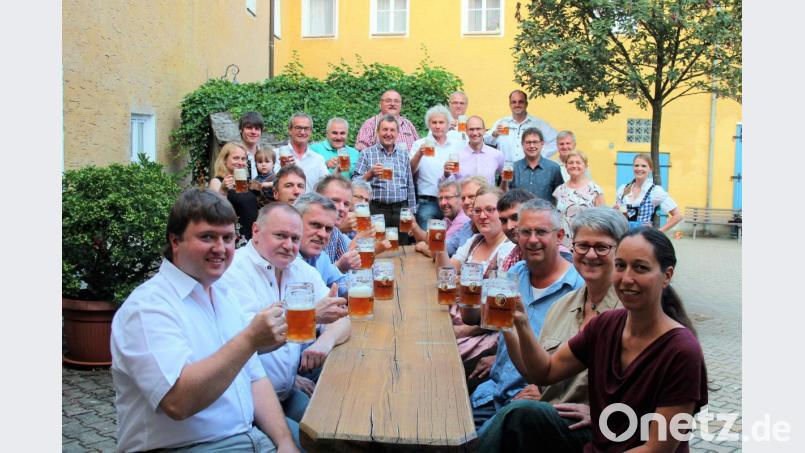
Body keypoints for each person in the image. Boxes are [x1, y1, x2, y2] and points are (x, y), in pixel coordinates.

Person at [110, 188, 298, 452]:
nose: (220, 248)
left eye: (228, 238)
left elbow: (256, 379)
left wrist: (285, 442)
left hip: (248, 437)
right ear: (175, 241)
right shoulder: (147, 307)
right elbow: (178, 402)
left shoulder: (224, 294)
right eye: (207, 237)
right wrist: (250, 340)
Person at [501, 227, 707, 452]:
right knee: (519, 415)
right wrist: (520, 324)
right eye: (620, 266)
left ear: (666, 276)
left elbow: (657, 449)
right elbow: (545, 372)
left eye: (640, 268)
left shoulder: (681, 351)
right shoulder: (605, 325)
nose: (626, 279)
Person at [477, 207, 628, 452]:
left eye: (601, 247)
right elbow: (538, 373)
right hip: (549, 416)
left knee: (518, 415)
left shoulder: (629, 309)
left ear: (620, 251)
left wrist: (604, 413)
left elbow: (655, 385)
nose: (590, 255)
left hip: (599, 430)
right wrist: (512, 325)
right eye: (582, 246)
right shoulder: (563, 306)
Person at [221, 202, 351, 447]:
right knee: (313, 443)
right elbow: (250, 342)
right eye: (280, 236)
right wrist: (312, 316)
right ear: (256, 231)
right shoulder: (234, 271)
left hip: (286, 391)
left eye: (295, 238)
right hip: (249, 404)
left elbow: (341, 318)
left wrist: (324, 343)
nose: (289, 245)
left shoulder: (299, 269)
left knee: (339, 428)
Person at [466, 198, 583, 434]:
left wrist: (547, 389)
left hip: (531, 406)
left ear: (559, 236)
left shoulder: (578, 289)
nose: (532, 240)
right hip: (493, 392)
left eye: (541, 232)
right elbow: (483, 320)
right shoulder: (514, 274)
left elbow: (583, 358)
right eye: (525, 232)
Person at [436, 187, 516, 393]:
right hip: (461, 315)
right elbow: (446, 273)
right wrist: (439, 245)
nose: (482, 215)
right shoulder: (476, 241)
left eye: (490, 209)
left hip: (484, 329)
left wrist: (464, 330)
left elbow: (501, 309)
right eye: (477, 210)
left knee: (439, 356)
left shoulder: (508, 250)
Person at [352, 114, 417, 230]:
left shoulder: (403, 154)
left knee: (402, 241)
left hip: (401, 210)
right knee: (377, 240)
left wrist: (412, 211)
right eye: (385, 129)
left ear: (397, 133)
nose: (388, 133)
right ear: (377, 132)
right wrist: (369, 174)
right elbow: (354, 183)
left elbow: (410, 184)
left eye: (392, 130)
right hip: (376, 209)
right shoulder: (366, 153)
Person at [410, 105, 459, 229]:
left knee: (451, 238)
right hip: (428, 201)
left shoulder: (457, 145)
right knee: (427, 239)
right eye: (434, 122)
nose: (437, 126)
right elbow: (409, 171)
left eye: (441, 122)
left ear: (448, 124)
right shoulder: (419, 144)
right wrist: (419, 154)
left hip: (451, 201)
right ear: (429, 124)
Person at [294, 193, 349, 297]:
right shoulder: (283, 261)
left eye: (328, 229)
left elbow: (342, 288)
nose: (323, 234)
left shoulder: (321, 258)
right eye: (315, 225)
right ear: (295, 222)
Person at [614, 153, 683, 233]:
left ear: (650, 169)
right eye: (636, 165)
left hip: (644, 236)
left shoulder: (655, 191)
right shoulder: (624, 189)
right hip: (624, 235)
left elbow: (678, 216)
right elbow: (624, 216)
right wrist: (617, 211)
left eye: (644, 166)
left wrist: (658, 232)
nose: (639, 168)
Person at [484, 90, 558, 161]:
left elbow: (557, 140)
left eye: (521, 102)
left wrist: (539, 155)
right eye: (514, 102)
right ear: (510, 105)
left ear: (526, 104)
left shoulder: (538, 124)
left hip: (529, 167)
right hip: (506, 167)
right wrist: (494, 133)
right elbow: (485, 139)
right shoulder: (502, 122)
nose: (517, 105)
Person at [553, 150, 605, 249]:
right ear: (566, 166)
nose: (574, 165)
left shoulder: (595, 190)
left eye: (578, 162)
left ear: (585, 167)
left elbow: (603, 220)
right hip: (563, 243)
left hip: (586, 241)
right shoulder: (559, 190)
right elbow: (556, 217)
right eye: (571, 163)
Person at [208, 142, 259, 243]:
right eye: (236, 158)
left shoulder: (244, 181)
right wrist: (223, 191)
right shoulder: (217, 181)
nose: (240, 162)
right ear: (225, 159)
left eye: (243, 159)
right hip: (235, 238)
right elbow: (213, 212)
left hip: (253, 237)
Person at [502, 127, 564, 205]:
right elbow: (504, 195)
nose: (531, 145)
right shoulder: (513, 168)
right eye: (528, 142)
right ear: (522, 144)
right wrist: (504, 181)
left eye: (535, 142)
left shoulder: (554, 168)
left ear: (542, 143)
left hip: (545, 212)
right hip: (519, 212)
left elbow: (561, 196)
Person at [411, 180, 472, 258]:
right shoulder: (448, 218)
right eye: (440, 198)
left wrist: (423, 247)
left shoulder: (463, 219)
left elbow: (440, 251)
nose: (443, 203)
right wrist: (414, 226)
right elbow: (432, 241)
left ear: (460, 198)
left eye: (447, 198)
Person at [316, 174, 362, 271]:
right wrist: (339, 266)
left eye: (346, 204)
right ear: (317, 199)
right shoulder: (306, 231)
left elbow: (352, 267)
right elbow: (310, 276)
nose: (342, 208)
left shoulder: (336, 233)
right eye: (335, 200)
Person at [274, 113, 329, 192]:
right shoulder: (276, 155)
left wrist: (337, 171)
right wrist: (282, 170)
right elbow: (268, 182)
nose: (303, 132)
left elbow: (326, 186)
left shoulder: (318, 159)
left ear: (311, 131)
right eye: (298, 128)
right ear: (290, 130)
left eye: (306, 128)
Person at [443, 115, 504, 186]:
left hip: (488, 193)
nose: (475, 133)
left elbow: (504, 178)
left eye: (478, 129)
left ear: (484, 131)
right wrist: (446, 175)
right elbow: (448, 185)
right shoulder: (457, 157)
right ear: (466, 131)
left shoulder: (497, 155)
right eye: (471, 129)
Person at [355, 89, 419, 151]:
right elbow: (361, 148)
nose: (393, 104)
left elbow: (418, 147)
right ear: (380, 104)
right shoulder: (370, 124)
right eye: (388, 101)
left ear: (401, 105)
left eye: (396, 101)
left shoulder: (408, 124)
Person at [445, 175, 489, 257]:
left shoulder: (491, 227)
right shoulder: (467, 226)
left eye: (471, 197)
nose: (466, 202)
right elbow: (447, 247)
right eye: (463, 198)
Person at [497, 189, 537, 271]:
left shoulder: (552, 256)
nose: (509, 227)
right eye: (504, 221)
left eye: (516, 217)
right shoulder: (512, 256)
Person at [239, 111, 265, 178]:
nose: (253, 132)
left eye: (257, 129)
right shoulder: (234, 155)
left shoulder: (266, 154)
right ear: (241, 130)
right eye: (249, 128)